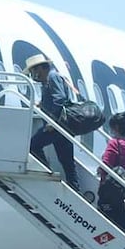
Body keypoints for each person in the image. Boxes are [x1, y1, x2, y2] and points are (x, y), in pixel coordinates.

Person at [25, 54, 80, 192]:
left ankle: (47, 172)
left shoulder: (52, 77)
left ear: (41, 68)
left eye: (33, 70)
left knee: (33, 145)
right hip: (61, 126)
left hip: (56, 126)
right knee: (66, 161)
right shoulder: (47, 81)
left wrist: (53, 121)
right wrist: (42, 104)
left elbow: (60, 99)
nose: (33, 74)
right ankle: (76, 190)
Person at [97, 111, 125, 231]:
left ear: (116, 128)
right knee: (120, 225)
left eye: (112, 128)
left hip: (109, 193)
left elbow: (106, 164)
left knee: (103, 224)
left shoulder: (114, 143)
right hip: (121, 192)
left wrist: (100, 171)